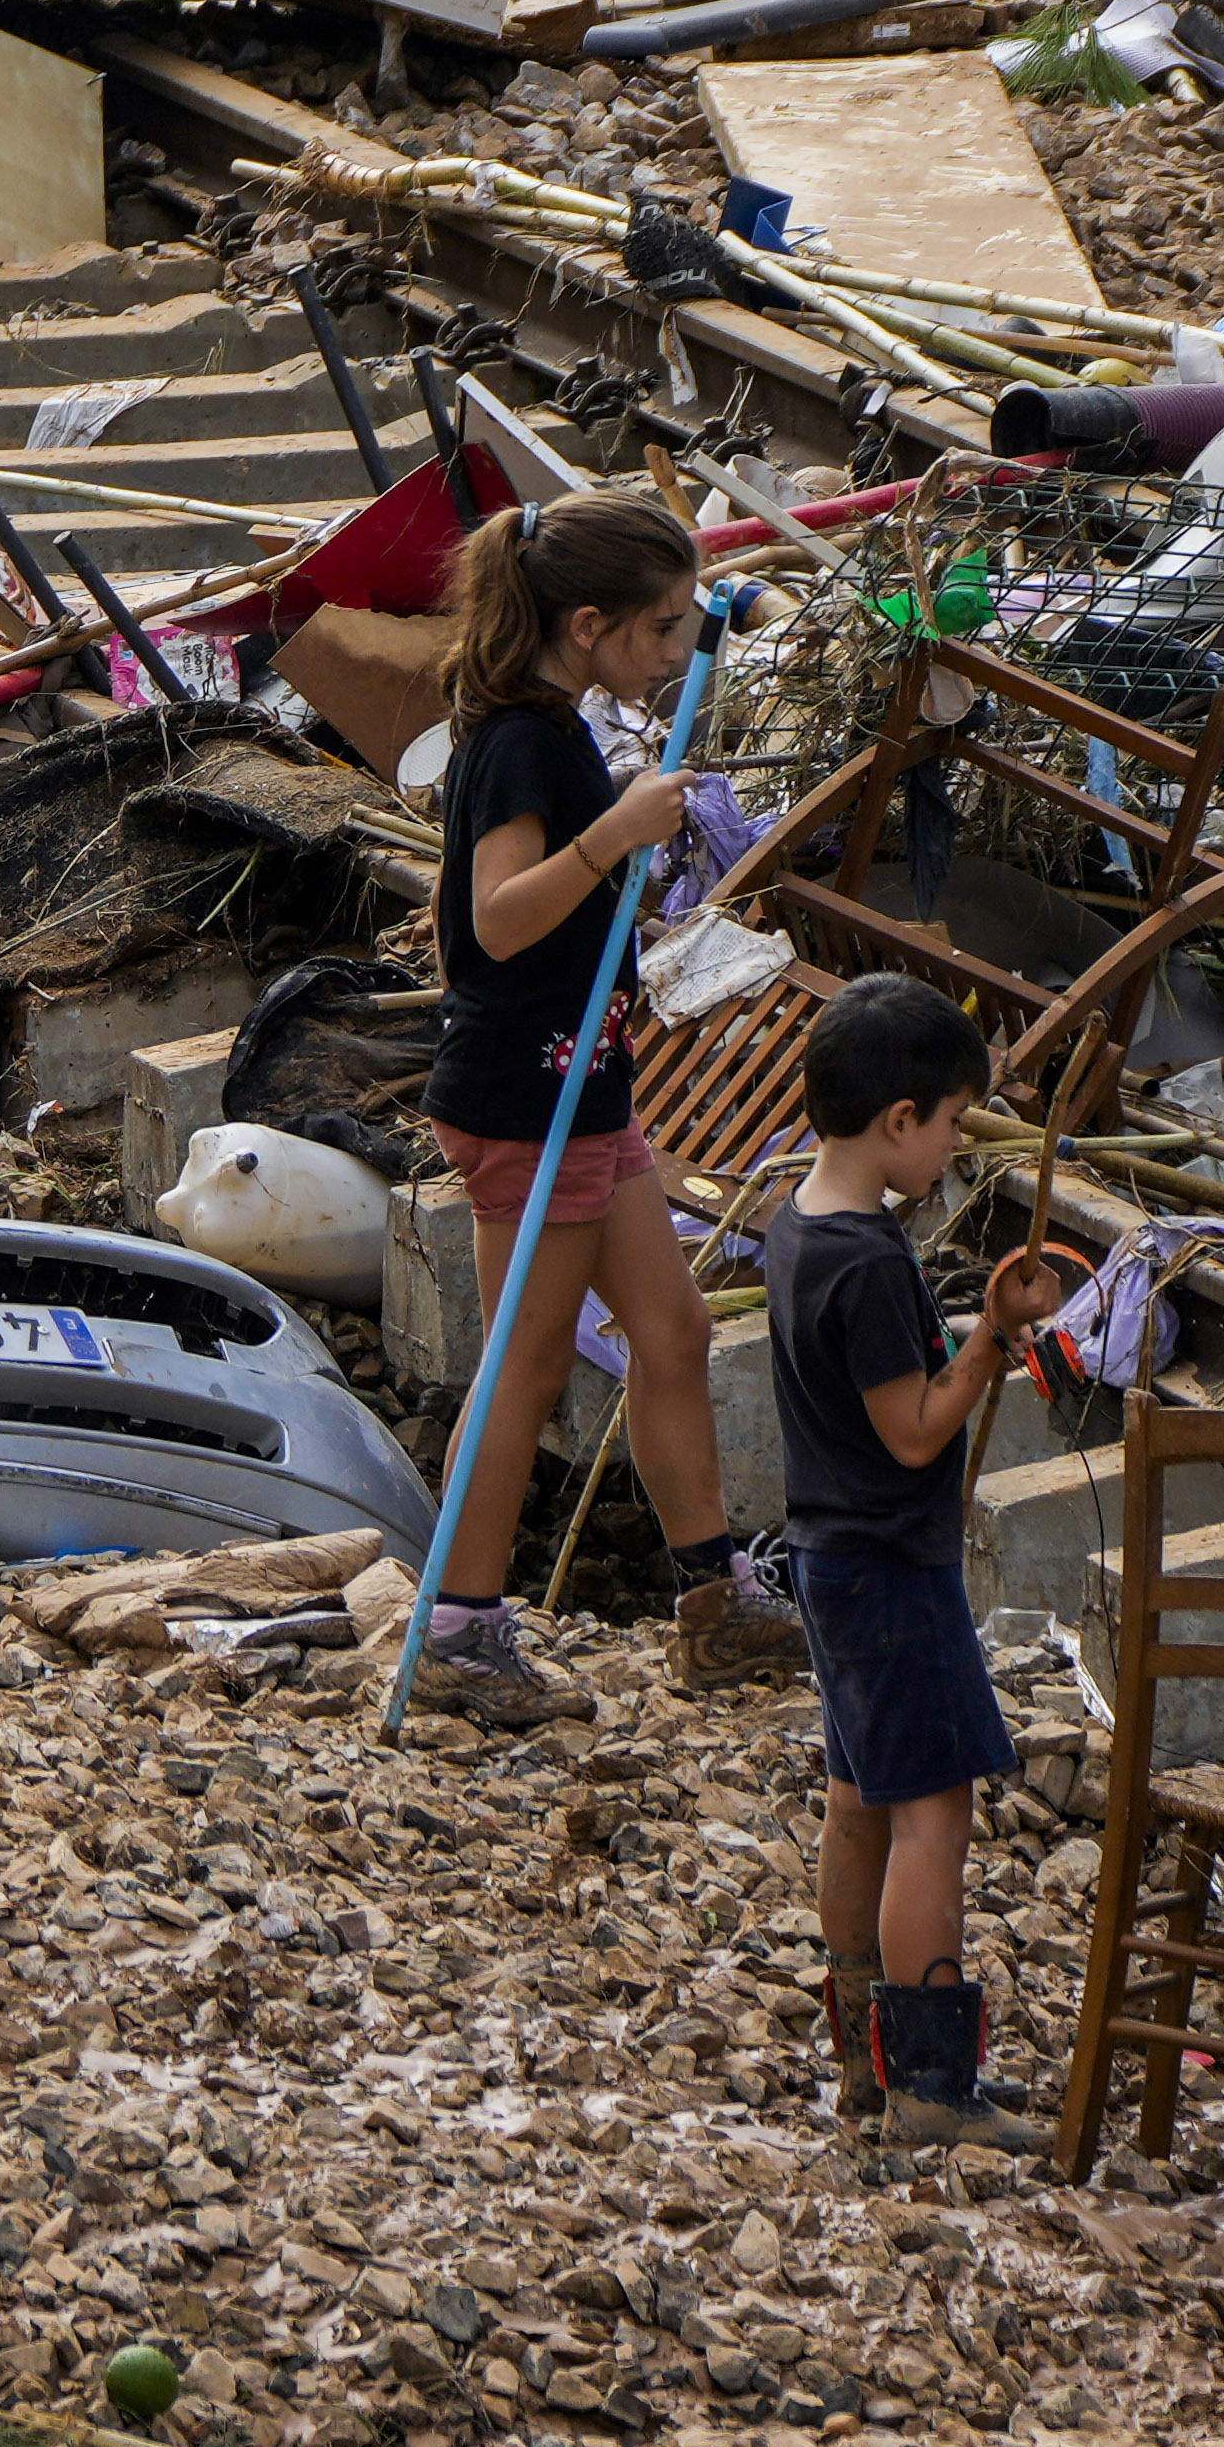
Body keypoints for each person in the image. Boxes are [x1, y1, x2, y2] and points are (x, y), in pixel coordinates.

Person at [404, 492, 805, 1733]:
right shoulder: (521, 741)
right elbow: (493, 919)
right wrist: (612, 838)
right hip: (529, 1097)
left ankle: (712, 1600)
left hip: (585, 1083)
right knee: (523, 1366)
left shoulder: (555, 720)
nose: (677, 654)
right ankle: (463, 1629)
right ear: (587, 624)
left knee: (673, 1330)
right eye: (663, 630)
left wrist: (624, 837)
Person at [770, 969, 1066, 2151]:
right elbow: (912, 1430)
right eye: (949, 1122)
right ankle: (932, 2084)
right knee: (931, 1815)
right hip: (894, 1570)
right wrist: (992, 1339)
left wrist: (968, 1332)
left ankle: (857, 2061)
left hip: (826, 1558)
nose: (952, 1144)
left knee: (857, 1805)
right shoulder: (871, 1262)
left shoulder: (798, 1224)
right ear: (900, 1119)